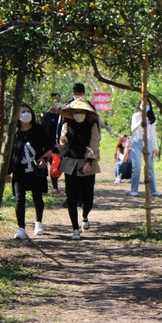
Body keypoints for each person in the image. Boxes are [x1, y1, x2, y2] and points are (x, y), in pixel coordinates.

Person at [52, 97, 101, 239]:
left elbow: (94, 144)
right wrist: (54, 150)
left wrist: (88, 163)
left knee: (88, 198)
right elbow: (63, 143)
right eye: (76, 111)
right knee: (71, 197)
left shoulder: (92, 126)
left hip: (87, 164)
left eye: (82, 111)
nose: (79, 113)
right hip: (71, 163)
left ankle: (85, 215)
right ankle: (75, 229)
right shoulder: (67, 125)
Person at [6, 103, 51, 239]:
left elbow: (49, 148)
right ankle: (21, 228)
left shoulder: (40, 129)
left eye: (27, 111)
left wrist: (44, 160)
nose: (25, 114)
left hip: (36, 169)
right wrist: (7, 172)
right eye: (22, 112)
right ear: (17, 117)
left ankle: (38, 223)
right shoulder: (14, 132)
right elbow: (10, 152)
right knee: (20, 199)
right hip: (19, 170)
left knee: (37, 197)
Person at [129, 101, 162, 196]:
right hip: (136, 142)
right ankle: (134, 190)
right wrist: (141, 122)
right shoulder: (136, 116)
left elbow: (153, 134)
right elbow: (133, 129)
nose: (145, 106)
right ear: (139, 105)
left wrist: (156, 147)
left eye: (147, 105)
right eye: (143, 104)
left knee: (150, 167)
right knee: (137, 167)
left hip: (148, 142)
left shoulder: (151, 118)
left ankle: (153, 190)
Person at [42, 92, 62, 193]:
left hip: (61, 146)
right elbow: (43, 131)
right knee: (51, 165)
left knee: (61, 166)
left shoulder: (63, 116)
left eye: (58, 101)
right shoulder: (46, 116)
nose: (56, 103)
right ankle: (54, 186)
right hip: (49, 146)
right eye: (54, 101)